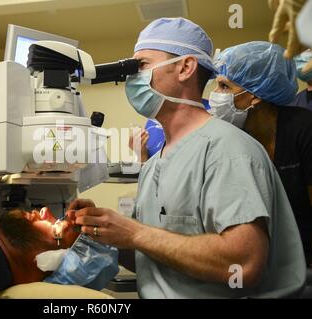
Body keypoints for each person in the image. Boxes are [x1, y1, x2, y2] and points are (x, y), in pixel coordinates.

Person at [68, 18, 306, 298]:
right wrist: (102, 230)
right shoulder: (155, 161)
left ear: (185, 67)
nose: (132, 78)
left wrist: (135, 233)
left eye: (141, 65)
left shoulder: (226, 149)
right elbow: (153, 257)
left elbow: (244, 265)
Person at [209, 41, 312, 267]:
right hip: (257, 261)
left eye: (225, 87)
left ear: (255, 96)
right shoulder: (231, 137)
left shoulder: (303, 129)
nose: (215, 95)